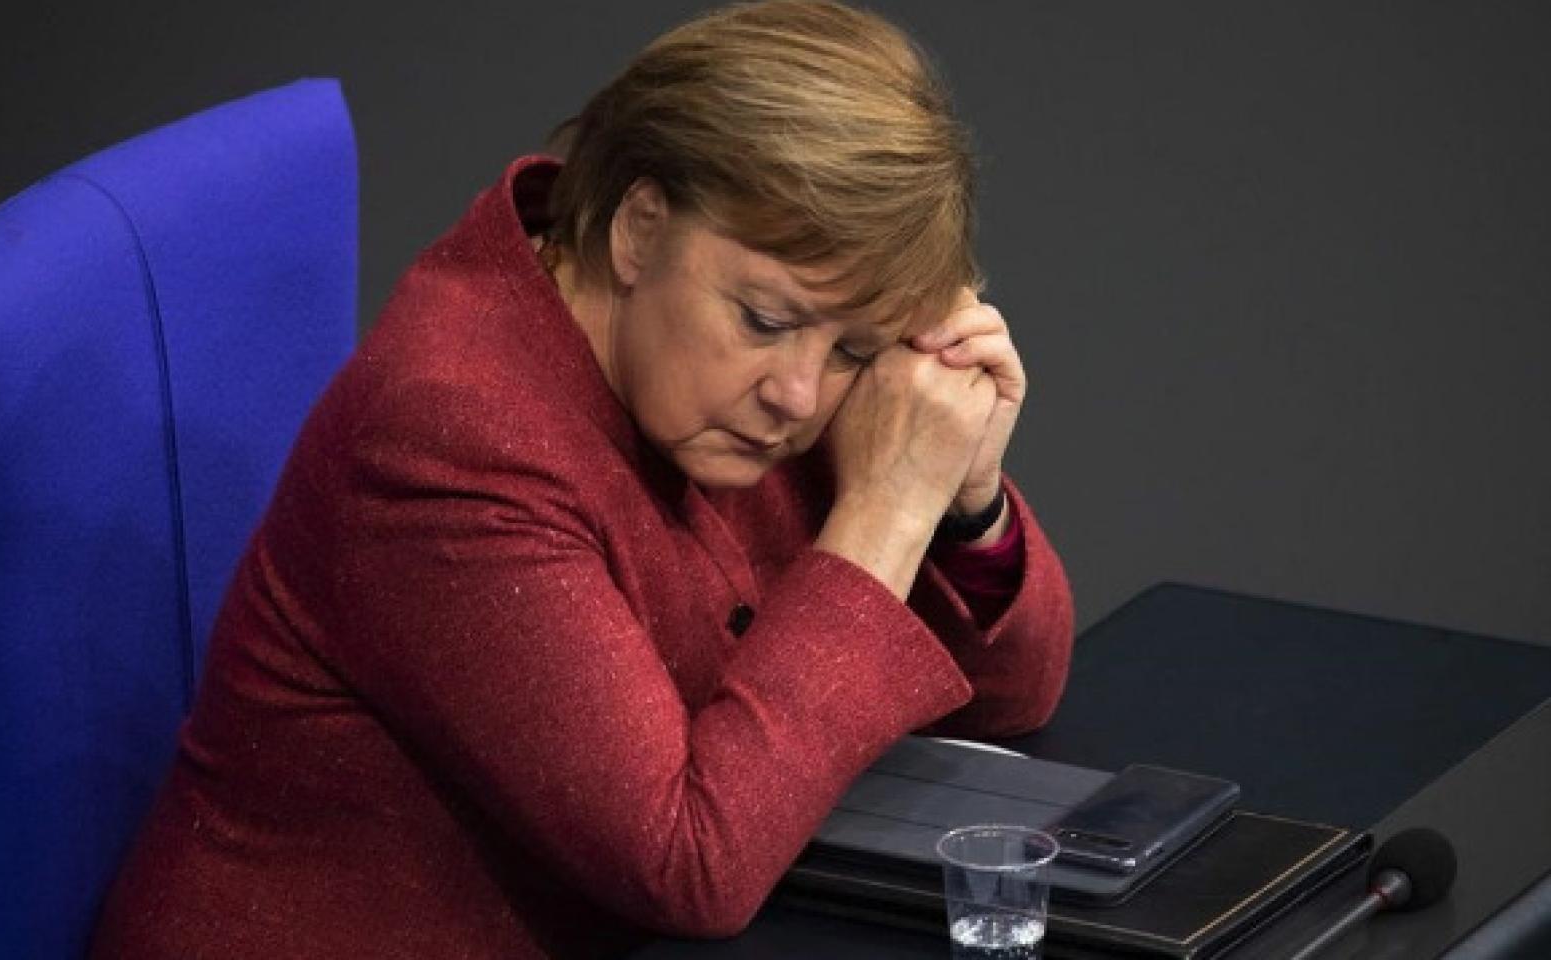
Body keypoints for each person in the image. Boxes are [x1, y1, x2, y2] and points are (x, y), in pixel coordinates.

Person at [90, 1, 1074, 956]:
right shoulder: (449, 437)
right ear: (638, 228)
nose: (799, 393)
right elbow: (689, 868)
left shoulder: (770, 353)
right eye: (763, 321)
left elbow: (1013, 695)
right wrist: (885, 508)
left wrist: (961, 503)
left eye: (855, 349)